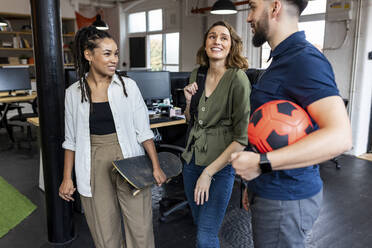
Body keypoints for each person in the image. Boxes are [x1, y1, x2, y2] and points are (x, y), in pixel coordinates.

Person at [230, 1, 352, 247]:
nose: (248, 18)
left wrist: (260, 164)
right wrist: (255, 181)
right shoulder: (280, 61)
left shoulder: (304, 60)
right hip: (270, 190)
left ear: (274, 7)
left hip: (286, 198)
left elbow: (341, 137)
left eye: (253, 7)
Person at [58, 26, 166, 248]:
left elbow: (143, 132)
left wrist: (155, 166)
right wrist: (67, 178)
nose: (114, 59)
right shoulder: (73, 93)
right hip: (93, 161)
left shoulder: (128, 87)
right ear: (89, 55)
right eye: (107, 53)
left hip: (129, 157)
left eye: (116, 53)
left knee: (140, 227)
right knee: (104, 230)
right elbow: (71, 140)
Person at [182, 21, 251, 248]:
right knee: (200, 223)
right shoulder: (197, 74)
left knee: (205, 236)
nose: (217, 41)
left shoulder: (237, 79)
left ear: (231, 46)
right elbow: (191, 120)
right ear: (205, 43)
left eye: (224, 38)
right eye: (212, 36)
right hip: (191, 162)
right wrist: (189, 102)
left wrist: (209, 173)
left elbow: (241, 139)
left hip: (220, 166)